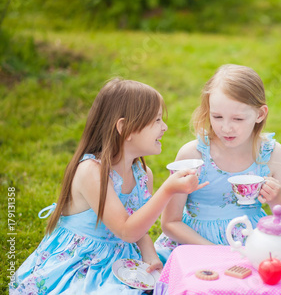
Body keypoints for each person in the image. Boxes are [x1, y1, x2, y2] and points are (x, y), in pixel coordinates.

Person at [10, 79, 208, 294]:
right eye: (157, 120)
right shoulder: (92, 172)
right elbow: (126, 230)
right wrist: (168, 190)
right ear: (125, 128)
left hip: (121, 259)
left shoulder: (142, 175)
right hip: (82, 262)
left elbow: (138, 228)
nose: (165, 127)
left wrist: (150, 254)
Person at [154, 64, 281, 262]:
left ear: (260, 114)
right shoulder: (192, 155)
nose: (226, 128)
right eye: (217, 117)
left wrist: (276, 200)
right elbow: (170, 223)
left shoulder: (272, 154)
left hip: (250, 246)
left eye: (238, 119)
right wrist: (217, 253)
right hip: (194, 245)